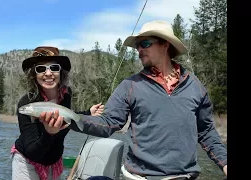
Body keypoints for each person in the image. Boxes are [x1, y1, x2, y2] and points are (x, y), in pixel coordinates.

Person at [39, 21, 227, 180]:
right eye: (137, 45)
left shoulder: (194, 85)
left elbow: (207, 131)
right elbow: (108, 124)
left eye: (145, 43)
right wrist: (68, 118)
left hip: (184, 177)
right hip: (138, 177)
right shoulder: (130, 85)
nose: (138, 49)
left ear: (165, 45)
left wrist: (226, 163)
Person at [10, 46, 104, 180]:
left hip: (54, 163)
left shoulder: (66, 96)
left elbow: (66, 115)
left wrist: (88, 112)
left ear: (61, 72)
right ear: (34, 75)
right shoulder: (26, 103)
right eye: (41, 69)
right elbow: (32, 152)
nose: (48, 73)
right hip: (26, 162)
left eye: (54, 68)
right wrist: (49, 133)